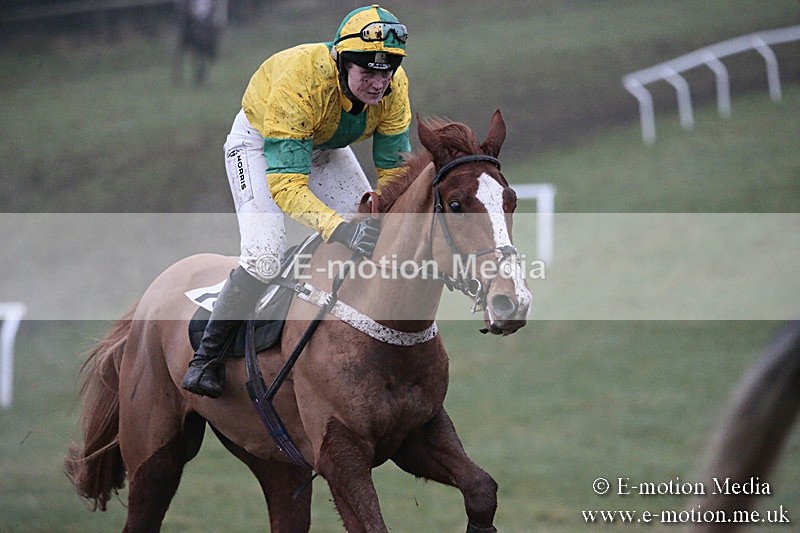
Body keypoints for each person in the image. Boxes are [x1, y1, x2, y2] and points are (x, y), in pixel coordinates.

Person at [182, 5, 412, 398]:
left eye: (387, 71)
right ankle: (206, 358)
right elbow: (287, 186)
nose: (379, 83)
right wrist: (339, 229)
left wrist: (381, 213)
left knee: (371, 232)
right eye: (368, 73)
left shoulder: (395, 86)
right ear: (342, 61)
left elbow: (394, 169)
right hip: (260, 145)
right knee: (266, 255)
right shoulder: (300, 82)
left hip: (325, 143)